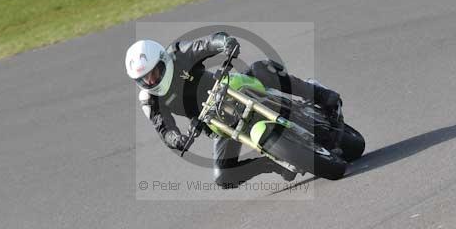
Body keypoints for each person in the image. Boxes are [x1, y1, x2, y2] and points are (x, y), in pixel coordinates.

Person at [125, 32, 342, 188]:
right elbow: (164, 129)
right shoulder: (149, 100)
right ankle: (271, 162)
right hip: (215, 120)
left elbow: (205, 44)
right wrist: (177, 140)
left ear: (163, 61)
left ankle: (321, 95)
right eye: (144, 78)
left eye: (154, 73)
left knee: (261, 69)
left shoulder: (177, 53)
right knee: (223, 177)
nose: (151, 80)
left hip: (230, 85)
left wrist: (225, 43)